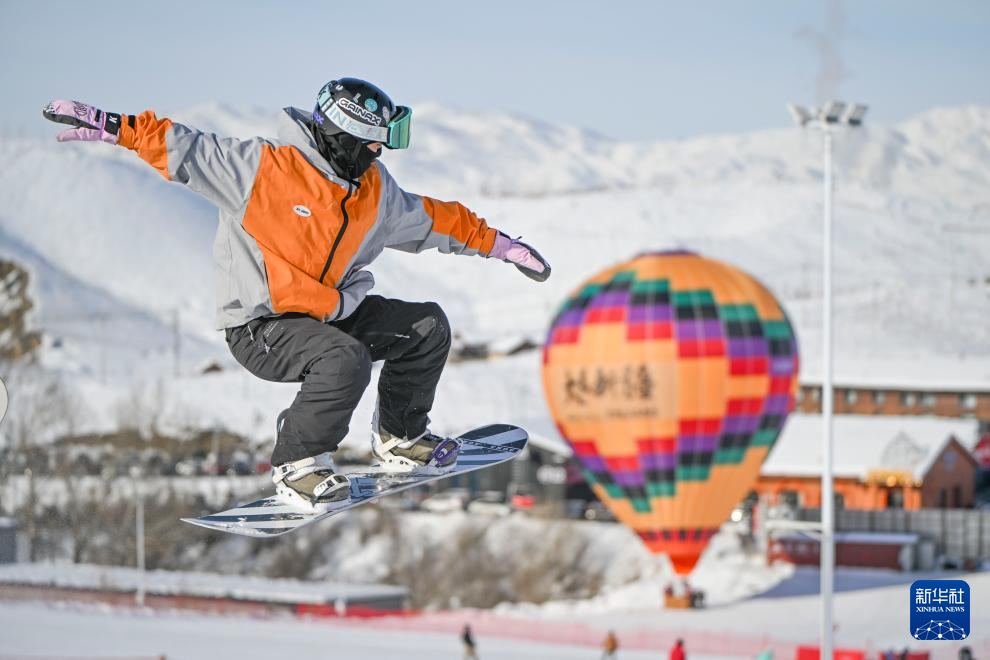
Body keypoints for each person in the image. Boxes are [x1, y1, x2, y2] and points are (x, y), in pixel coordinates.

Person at [42, 78, 549, 510]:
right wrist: (116, 126)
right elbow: (185, 146)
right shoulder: (264, 169)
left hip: (327, 315)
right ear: (345, 139)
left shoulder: (374, 192)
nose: (380, 154)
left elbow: (434, 218)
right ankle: (296, 466)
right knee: (344, 358)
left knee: (426, 326)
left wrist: (500, 245)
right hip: (261, 324)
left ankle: (401, 437)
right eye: (374, 144)